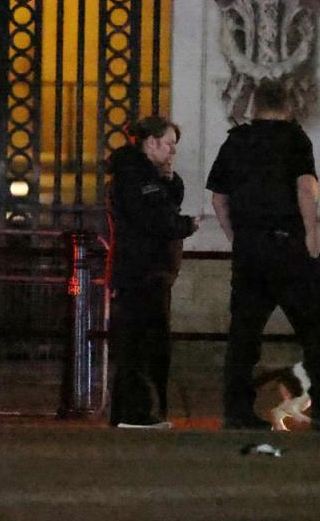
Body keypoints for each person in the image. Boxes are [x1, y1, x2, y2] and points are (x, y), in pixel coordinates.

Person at [206, 78, 320, 431]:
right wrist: (311, 237)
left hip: (249, 250)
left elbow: (218, 198)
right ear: (288, 107)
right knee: (315, 331)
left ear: (255, 106)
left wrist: (237, 237)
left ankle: (237, 411)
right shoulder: (294, 139)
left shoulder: (236, 141)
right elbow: (305, 187)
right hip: (288, 245)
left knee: (244, 335)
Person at [106, 116, 199, 429]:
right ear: (151, 143)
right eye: (169, 144)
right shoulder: (136, 177)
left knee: (142, 343)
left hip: (148, 272)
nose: (173, 151)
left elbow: (164, 205)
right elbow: (156, 220)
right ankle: (138, 412)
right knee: (142, 344)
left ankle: (134, 412)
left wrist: (170, 181)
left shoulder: (145, 175)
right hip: (143, 272)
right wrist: (187, 225)